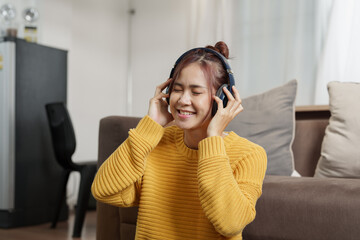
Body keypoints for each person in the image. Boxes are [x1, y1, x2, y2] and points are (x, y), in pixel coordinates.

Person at [91, 41, 267, 240]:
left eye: (196, 91)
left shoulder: (250, 154)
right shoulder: (155, 141)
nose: (183, 100)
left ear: (223, 98)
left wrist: (213, 139)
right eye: (177, 89)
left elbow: (230, 223)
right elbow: (103, 190)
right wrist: (151, 126)